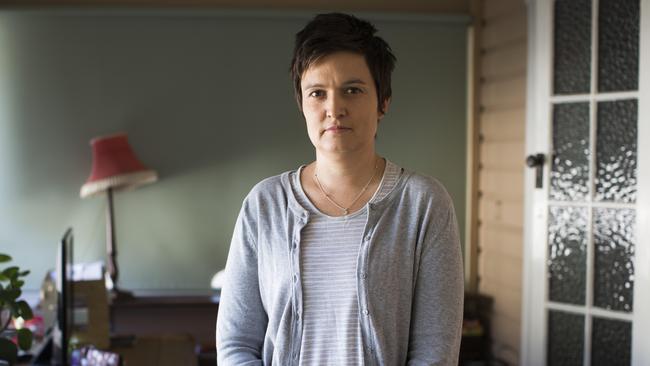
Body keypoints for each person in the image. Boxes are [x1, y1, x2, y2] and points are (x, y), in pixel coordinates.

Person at [216, 12, 464, 366]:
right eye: (317, 93)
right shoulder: (264, 204)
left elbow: (435, 351)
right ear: (302, 104)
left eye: (353, 90)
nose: (334, 108)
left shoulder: (424, 204)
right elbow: (235, 344)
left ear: (383, 102)